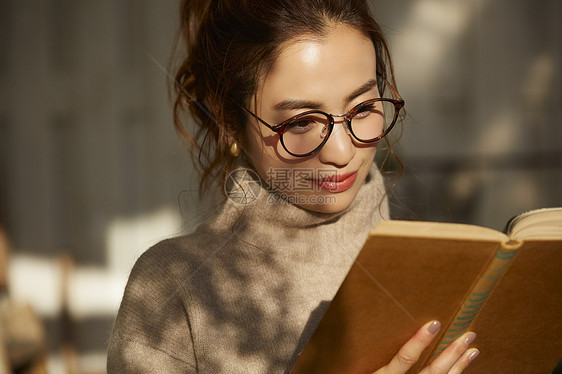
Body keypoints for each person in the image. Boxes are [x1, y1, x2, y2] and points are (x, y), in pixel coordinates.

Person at [107, 0, 480, 372]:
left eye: (363, 109)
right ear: (227, 122)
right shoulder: (172, 287)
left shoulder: (439, 266)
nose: (341, 151)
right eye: (301, 123)